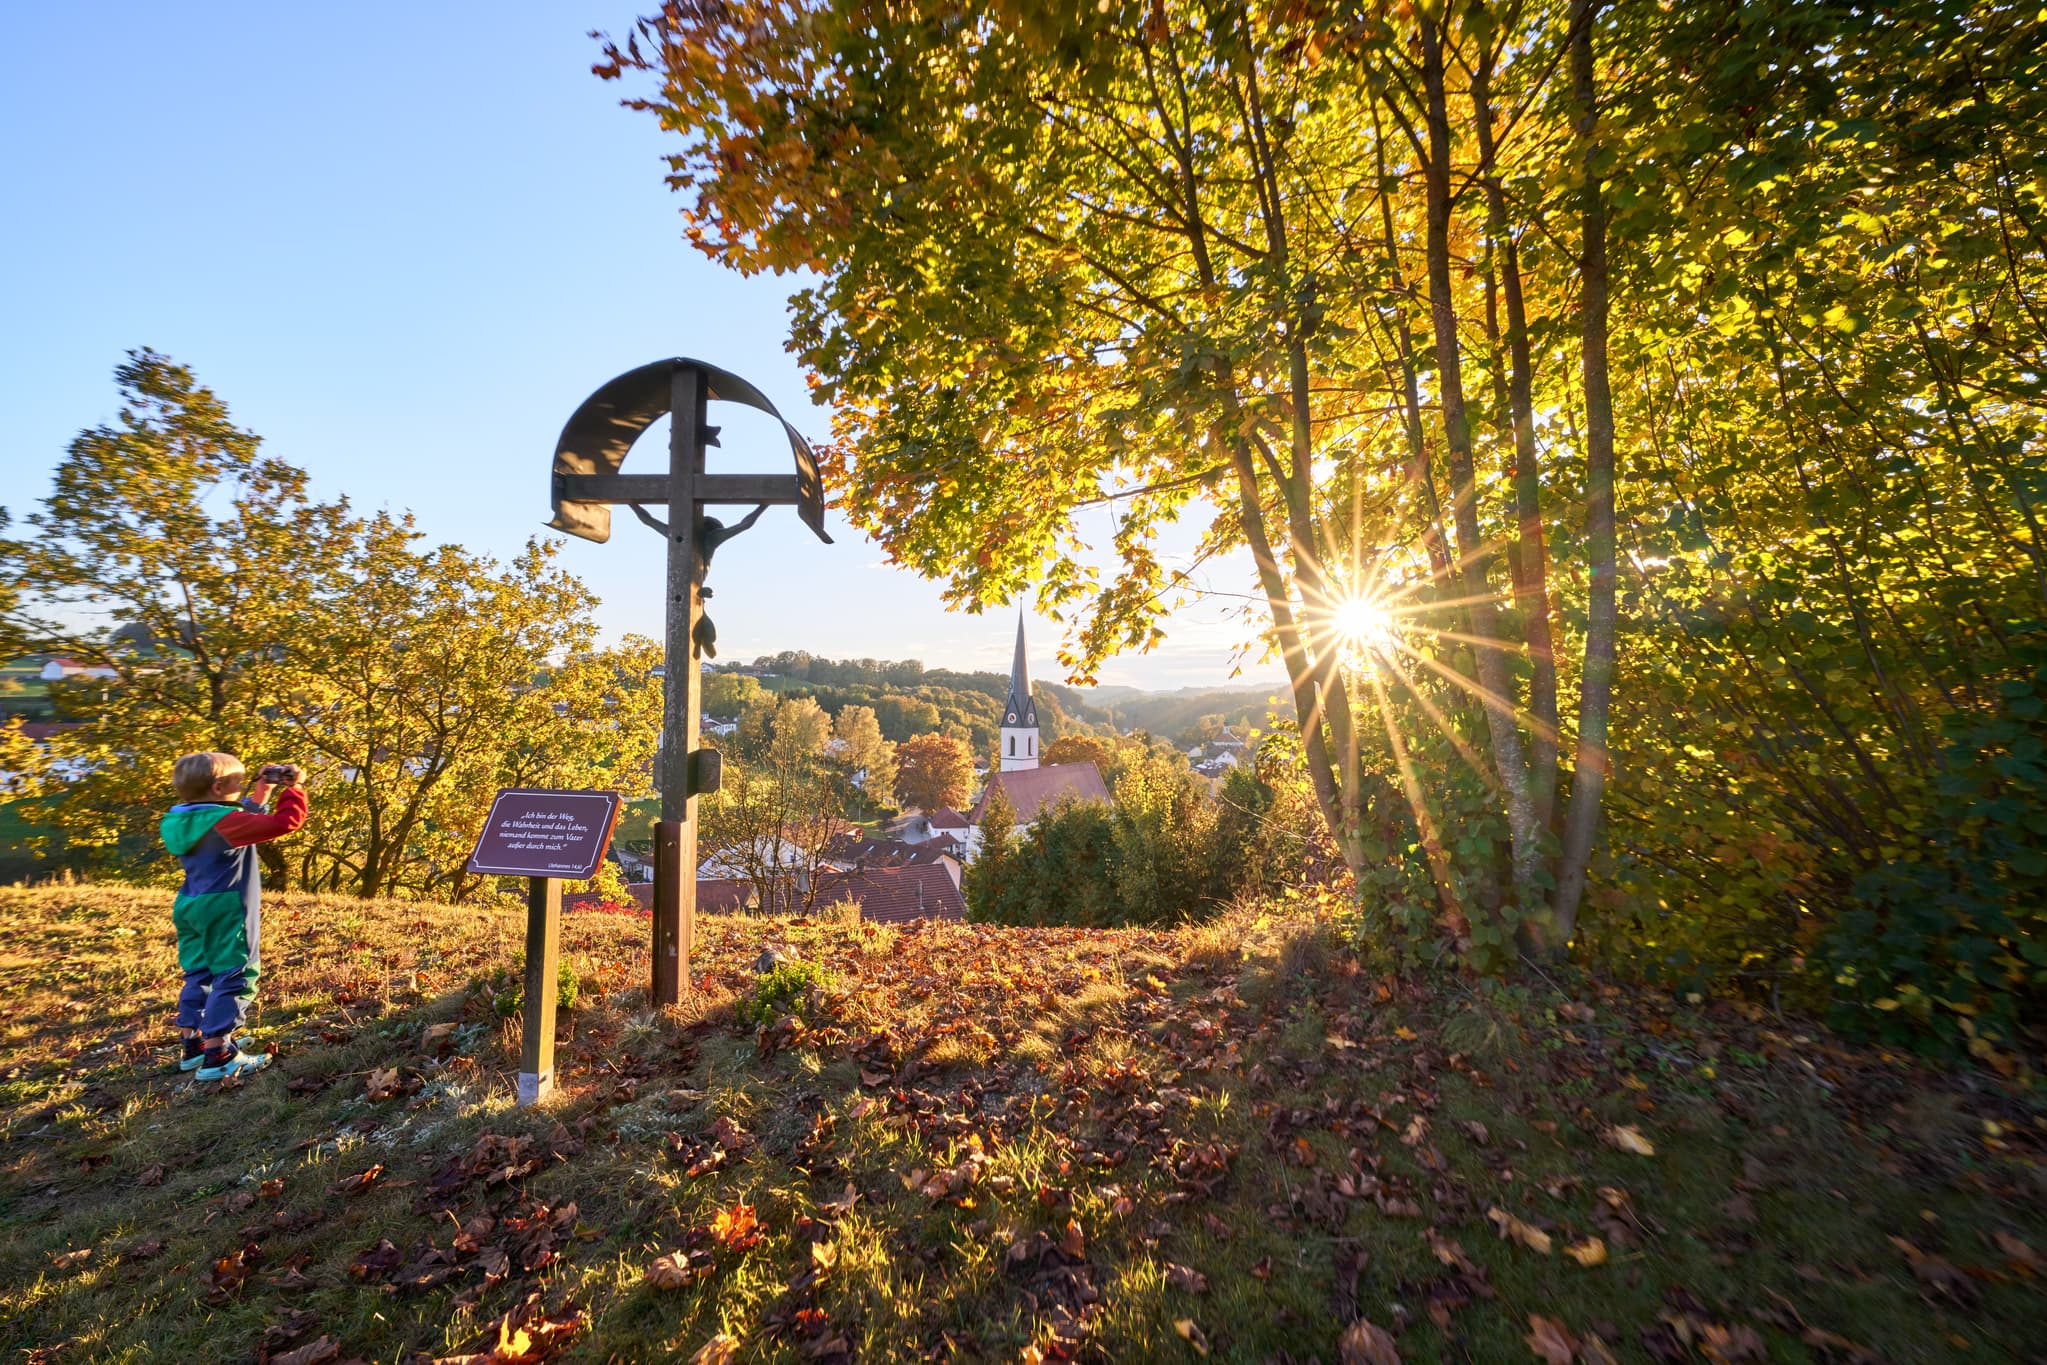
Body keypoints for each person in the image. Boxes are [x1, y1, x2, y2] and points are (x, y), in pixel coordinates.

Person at [160, 752, 309, 1081]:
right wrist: (295, 789)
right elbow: (286, 823)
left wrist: (261, 793)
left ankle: (194, 1045)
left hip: (190, 904)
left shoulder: (180, 818)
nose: (242, 789)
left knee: (198, 973)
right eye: (237, 783)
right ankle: (220, 1054)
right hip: (226, 906)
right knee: (236, 973)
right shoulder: (224, 823)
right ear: (216, 787)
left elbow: (236, 817)